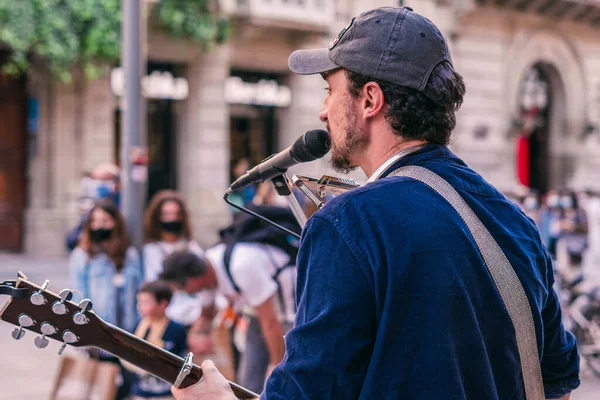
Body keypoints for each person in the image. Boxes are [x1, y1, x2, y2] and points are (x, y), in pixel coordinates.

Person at [172, 6, 579, 400]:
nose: (322, 111)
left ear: (370, 100)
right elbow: (557, 382)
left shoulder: (348, 223)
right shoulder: (513, 221)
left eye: (330, 90)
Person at [162, 205, 300, 394]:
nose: (187, 293)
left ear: (194, 279)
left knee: (285, 379)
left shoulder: (241, 266)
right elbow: (207, 315)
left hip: (288, 314)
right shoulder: (207, 272)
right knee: (248, 382)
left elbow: (271, 323)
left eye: (184, 289)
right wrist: (196, 337)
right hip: (257, 316)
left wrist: (277, 368)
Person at [68, 199, 142, 400]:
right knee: (100, 386)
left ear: (116, 223)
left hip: (127, 331)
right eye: (95, 221)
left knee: (126, 386)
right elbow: (77, 295)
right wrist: (84, 330)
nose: (100, 225)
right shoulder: (82, 255)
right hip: (97, 332)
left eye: (106, 220)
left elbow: (139, 290)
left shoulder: (129, 254)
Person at [142, 190, 207, 328]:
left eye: (176, 214)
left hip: (194, 313)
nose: (172, 219)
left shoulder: (191, 246)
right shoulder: (152, 250)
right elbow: (153, 282)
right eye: (166, 214)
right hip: (168, 315)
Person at [128, 281, 188, 400]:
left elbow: (183, 359)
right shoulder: (138, 327)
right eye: (139, 302)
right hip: (141, 390)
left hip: (166, 393)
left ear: (163, 304)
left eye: (146, 302)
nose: (140, 306)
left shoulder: (176, 329)